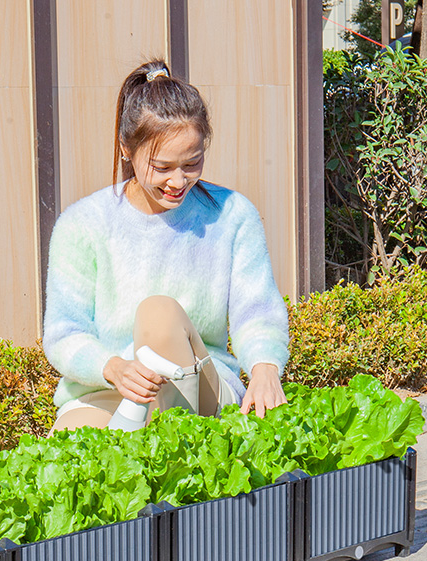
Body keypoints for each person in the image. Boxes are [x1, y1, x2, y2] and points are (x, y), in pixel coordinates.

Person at [43, 59, 289, 433]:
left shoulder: (232, 215)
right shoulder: (83, 225)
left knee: (159, 316)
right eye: (162, 167)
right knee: (71, 456)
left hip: (200, 389)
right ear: (126, 148)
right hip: (109, 387)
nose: (179, 180)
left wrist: (265, 367)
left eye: (192, 163)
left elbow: (256, 311)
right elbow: (64, 333)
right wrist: (113, 368)